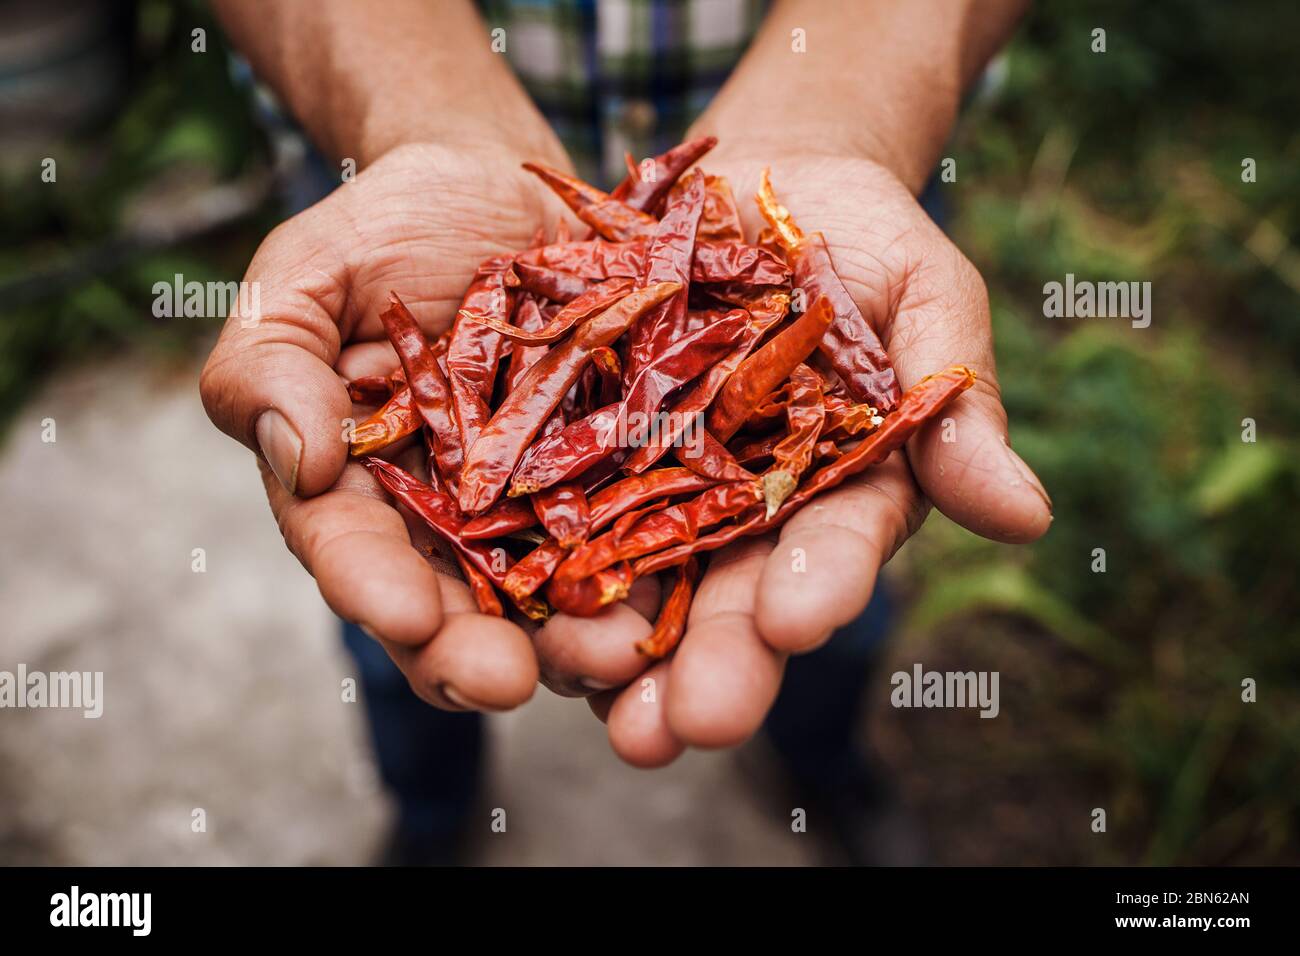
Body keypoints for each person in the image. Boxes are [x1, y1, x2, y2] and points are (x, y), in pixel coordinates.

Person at [202, 0, 1051, 863]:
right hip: (370, 150)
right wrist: (423, 118)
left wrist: (841, 120)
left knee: (827, 608)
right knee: (401, 613)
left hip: (861, 110)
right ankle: (430, 815)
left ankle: (826, 770)